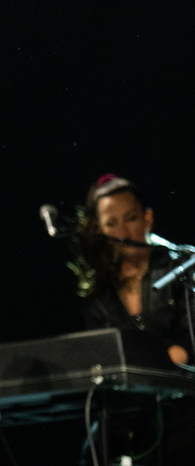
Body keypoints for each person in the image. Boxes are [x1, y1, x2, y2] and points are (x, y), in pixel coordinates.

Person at [69, 174, 194, 464]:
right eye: (111, 224)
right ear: (98, 230)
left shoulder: (182, 267)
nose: (123, 231)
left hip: (186, 407)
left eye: (131, 218)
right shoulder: (99, 293)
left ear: (147, 218)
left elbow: (189, 340)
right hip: (134, 416)